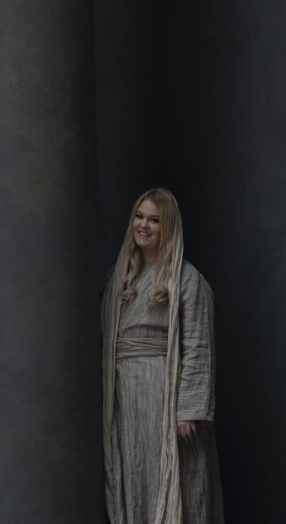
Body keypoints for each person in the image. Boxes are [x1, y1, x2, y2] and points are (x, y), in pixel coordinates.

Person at [102, 188, 223, 524]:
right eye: (139, 217)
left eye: (154, 220)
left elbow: (198, 344)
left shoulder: (187, 279)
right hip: (124, 397)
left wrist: (188, 410)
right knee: (135, 474)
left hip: (165, 397)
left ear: (167, 227)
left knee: (176, 481)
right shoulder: (118, 278)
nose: (143, 225)